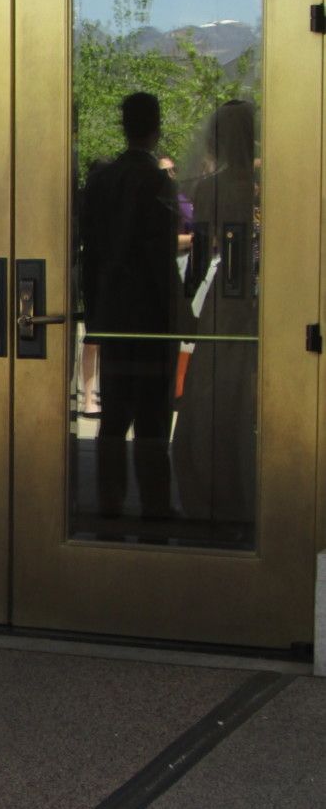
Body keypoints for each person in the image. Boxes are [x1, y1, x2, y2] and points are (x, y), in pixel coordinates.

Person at [77, 92, 185, 522]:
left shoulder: (101, 181)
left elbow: (89, 251)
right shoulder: (159, 183)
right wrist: (175, 311)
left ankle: (110, 499)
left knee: (115, 413)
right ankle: (155, 503)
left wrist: (94, 310)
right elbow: (161, 256)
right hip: (152, 315)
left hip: (113, 310)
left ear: (123, 126)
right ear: (156, 128)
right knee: (152, 417)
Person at [171, 100, 257, 537]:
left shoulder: (213, 188)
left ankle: (213, 495)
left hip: (227, 300)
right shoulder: (263, 185)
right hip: (258, 297)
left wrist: (185, 305)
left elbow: (201, 256)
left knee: (214, 395)